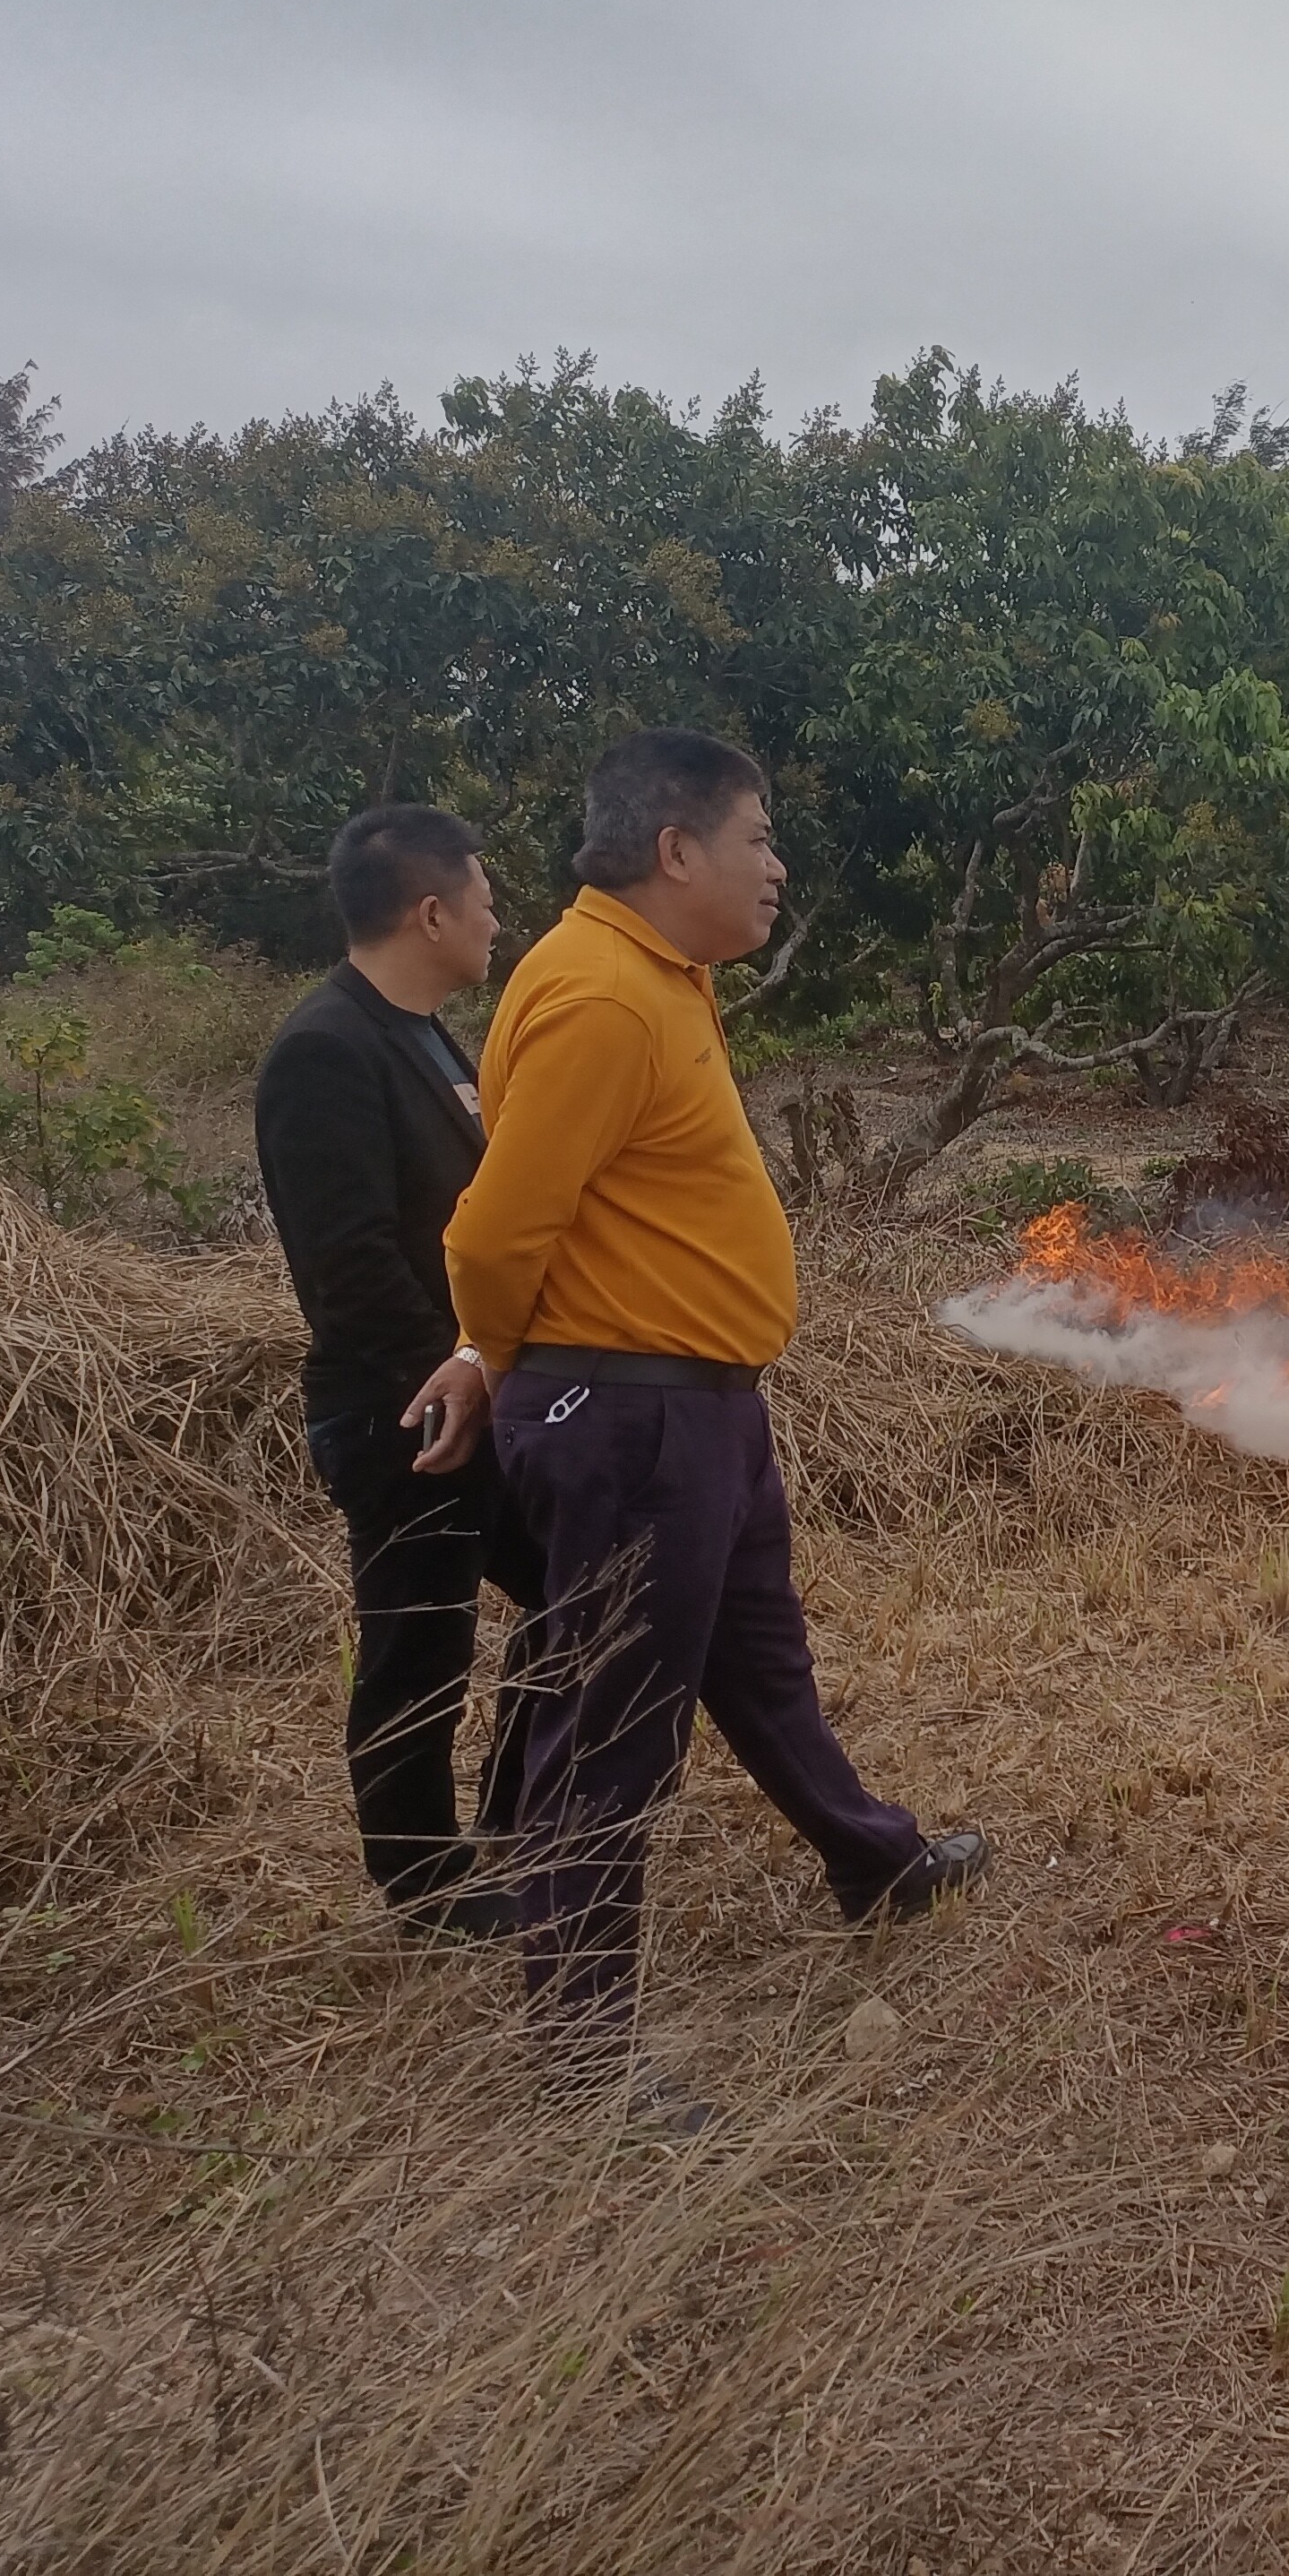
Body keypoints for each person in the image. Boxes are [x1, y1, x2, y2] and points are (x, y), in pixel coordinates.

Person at [445, 726, 987, 2129]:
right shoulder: (601, 997)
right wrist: (493, 1357)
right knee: (613, 1732)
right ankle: (583, 2060)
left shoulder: (655, 978)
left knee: (758, 1665)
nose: (778, 864)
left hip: (695, 1411)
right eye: (760, 837)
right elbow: (496, 1230)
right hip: (633, 1416)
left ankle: (874, 1861)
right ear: (676, 850)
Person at [253, 803, 541, 1941]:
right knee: (418, 1644)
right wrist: (453, 1375)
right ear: (430, 913)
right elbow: (349, 1266)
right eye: (483, 900)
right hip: (400, 1412)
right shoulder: (325, 1050)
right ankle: (421, 1885)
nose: (494, 921)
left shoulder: (422, 1035)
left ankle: (521, 1810)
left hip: (469, 1388)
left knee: (579, 1586)